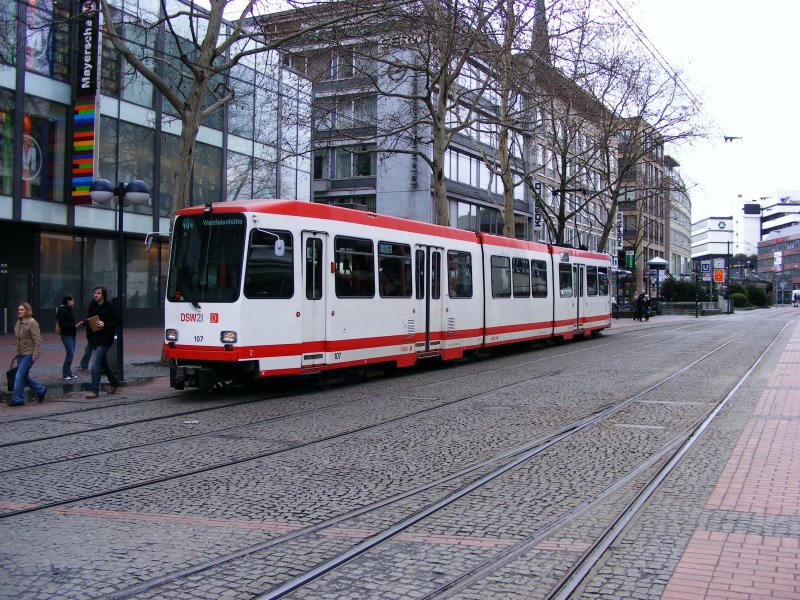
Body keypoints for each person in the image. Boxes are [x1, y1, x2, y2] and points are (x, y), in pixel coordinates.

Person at [83, 286, 121, 399]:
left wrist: (105, 324)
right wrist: (84, 322)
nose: (96, 295)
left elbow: (118, 321)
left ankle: (94, 390)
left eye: (98, 293)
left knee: (96, 363)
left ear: (103, 295)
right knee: (103, 363)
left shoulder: (110, 307)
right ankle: (114, 382)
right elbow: (89, 318)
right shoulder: (92, 304)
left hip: (105, 339)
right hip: (94, 338)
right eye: (94, 293)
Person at [8, 303, 46, 406]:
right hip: (21, 353)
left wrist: (35, 354)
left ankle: (18, 399)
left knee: (19, 376)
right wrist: (17, 353)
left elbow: (38, 340)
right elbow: (18, 340)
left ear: (27, 311)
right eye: (18, 309)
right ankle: (41, 390)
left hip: (29, 354)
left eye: (22, 310)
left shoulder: (32, 322)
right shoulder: (18, 322)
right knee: (24, 376)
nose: (19, 311)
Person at [56, 294, 82, 380]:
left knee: (71, 353)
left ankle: (68, 373)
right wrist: (74, 325)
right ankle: (65, 373)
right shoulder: (63, 310)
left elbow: (70, 321)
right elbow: (62, 324)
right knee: (70, 353)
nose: (74, 303)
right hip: (66, 334)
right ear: (68, 301)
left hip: (71, 334)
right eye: (72, 301)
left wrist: (75, 325)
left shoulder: (68, 310)